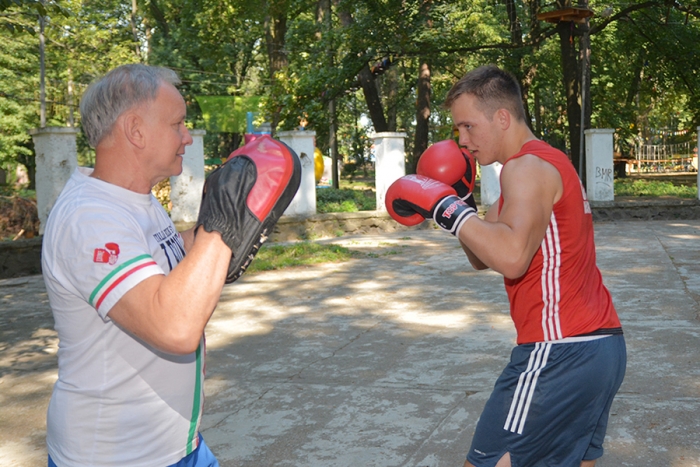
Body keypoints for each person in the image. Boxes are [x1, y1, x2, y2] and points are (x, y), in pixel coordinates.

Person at [41, 63, 302, 467]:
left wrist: (227, 227)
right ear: (135, 130)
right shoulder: (89, 217)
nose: (186, 136)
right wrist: (222, 224)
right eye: (178, 124)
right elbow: (175, 328)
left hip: (174, 442)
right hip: (115, 456)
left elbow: (165, 257)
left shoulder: (134, 201)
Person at [385, 65, 626, 467]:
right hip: (600, 347)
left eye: (467, 126)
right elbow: (483, 256)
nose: (462, 141)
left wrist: (445, 210)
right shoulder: (547, 162)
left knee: (486, 461)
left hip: (557, 350)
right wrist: (460, 206)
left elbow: (512, 260)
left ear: (501, 118)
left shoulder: (525, 168)